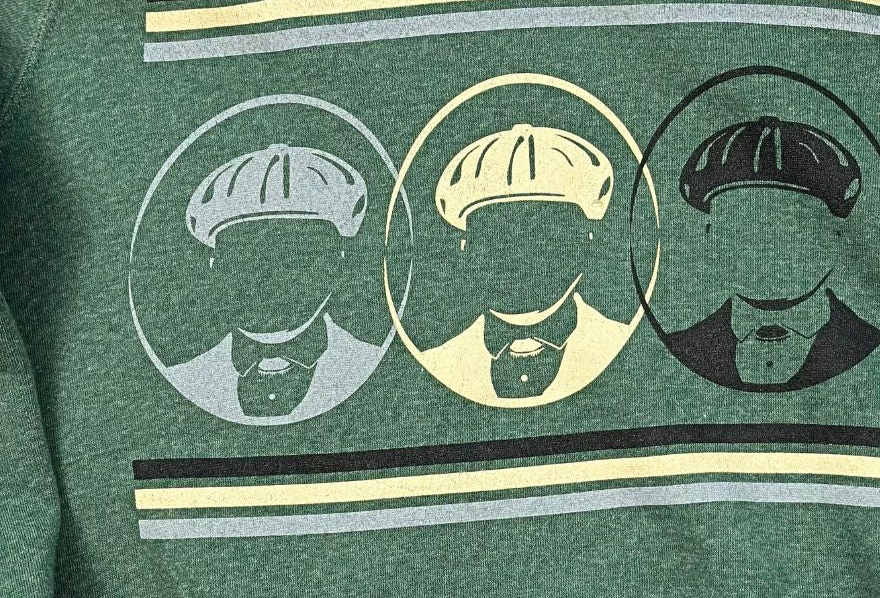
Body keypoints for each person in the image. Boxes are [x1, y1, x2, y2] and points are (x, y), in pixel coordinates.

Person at [420, 123, 630, 406]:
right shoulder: (437, 363)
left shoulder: (624, 345)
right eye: (494, 235)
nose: (517, 256)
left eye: (544, 232)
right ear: (466, 249)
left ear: (586, 240)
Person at [166, 143, 381, 419]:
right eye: (243, 256)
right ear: (214, 267)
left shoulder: (374, 366)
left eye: (297, 254)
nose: (268, 277)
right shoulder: (182, 380)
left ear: (337, 261)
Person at [668, 115, 880, 390]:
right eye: (739, 225)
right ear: (710, 239)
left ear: (836, 237)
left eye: (789, 225)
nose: (763, 247)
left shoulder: (877, 349)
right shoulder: (678, 350)